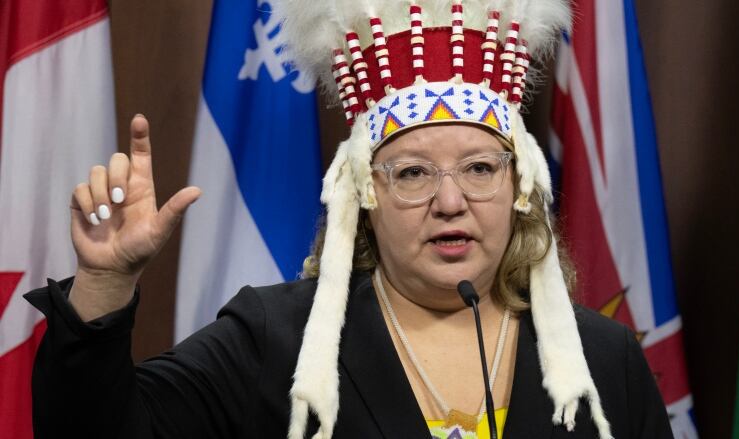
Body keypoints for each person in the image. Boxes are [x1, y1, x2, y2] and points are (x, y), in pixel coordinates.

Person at [24, 1, 674, 438]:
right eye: (414, 172)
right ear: (365, 191)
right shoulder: (272, 340)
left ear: (518, 186)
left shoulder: (604, 358)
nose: (451, 201)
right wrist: (105, 284)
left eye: (479, 168)